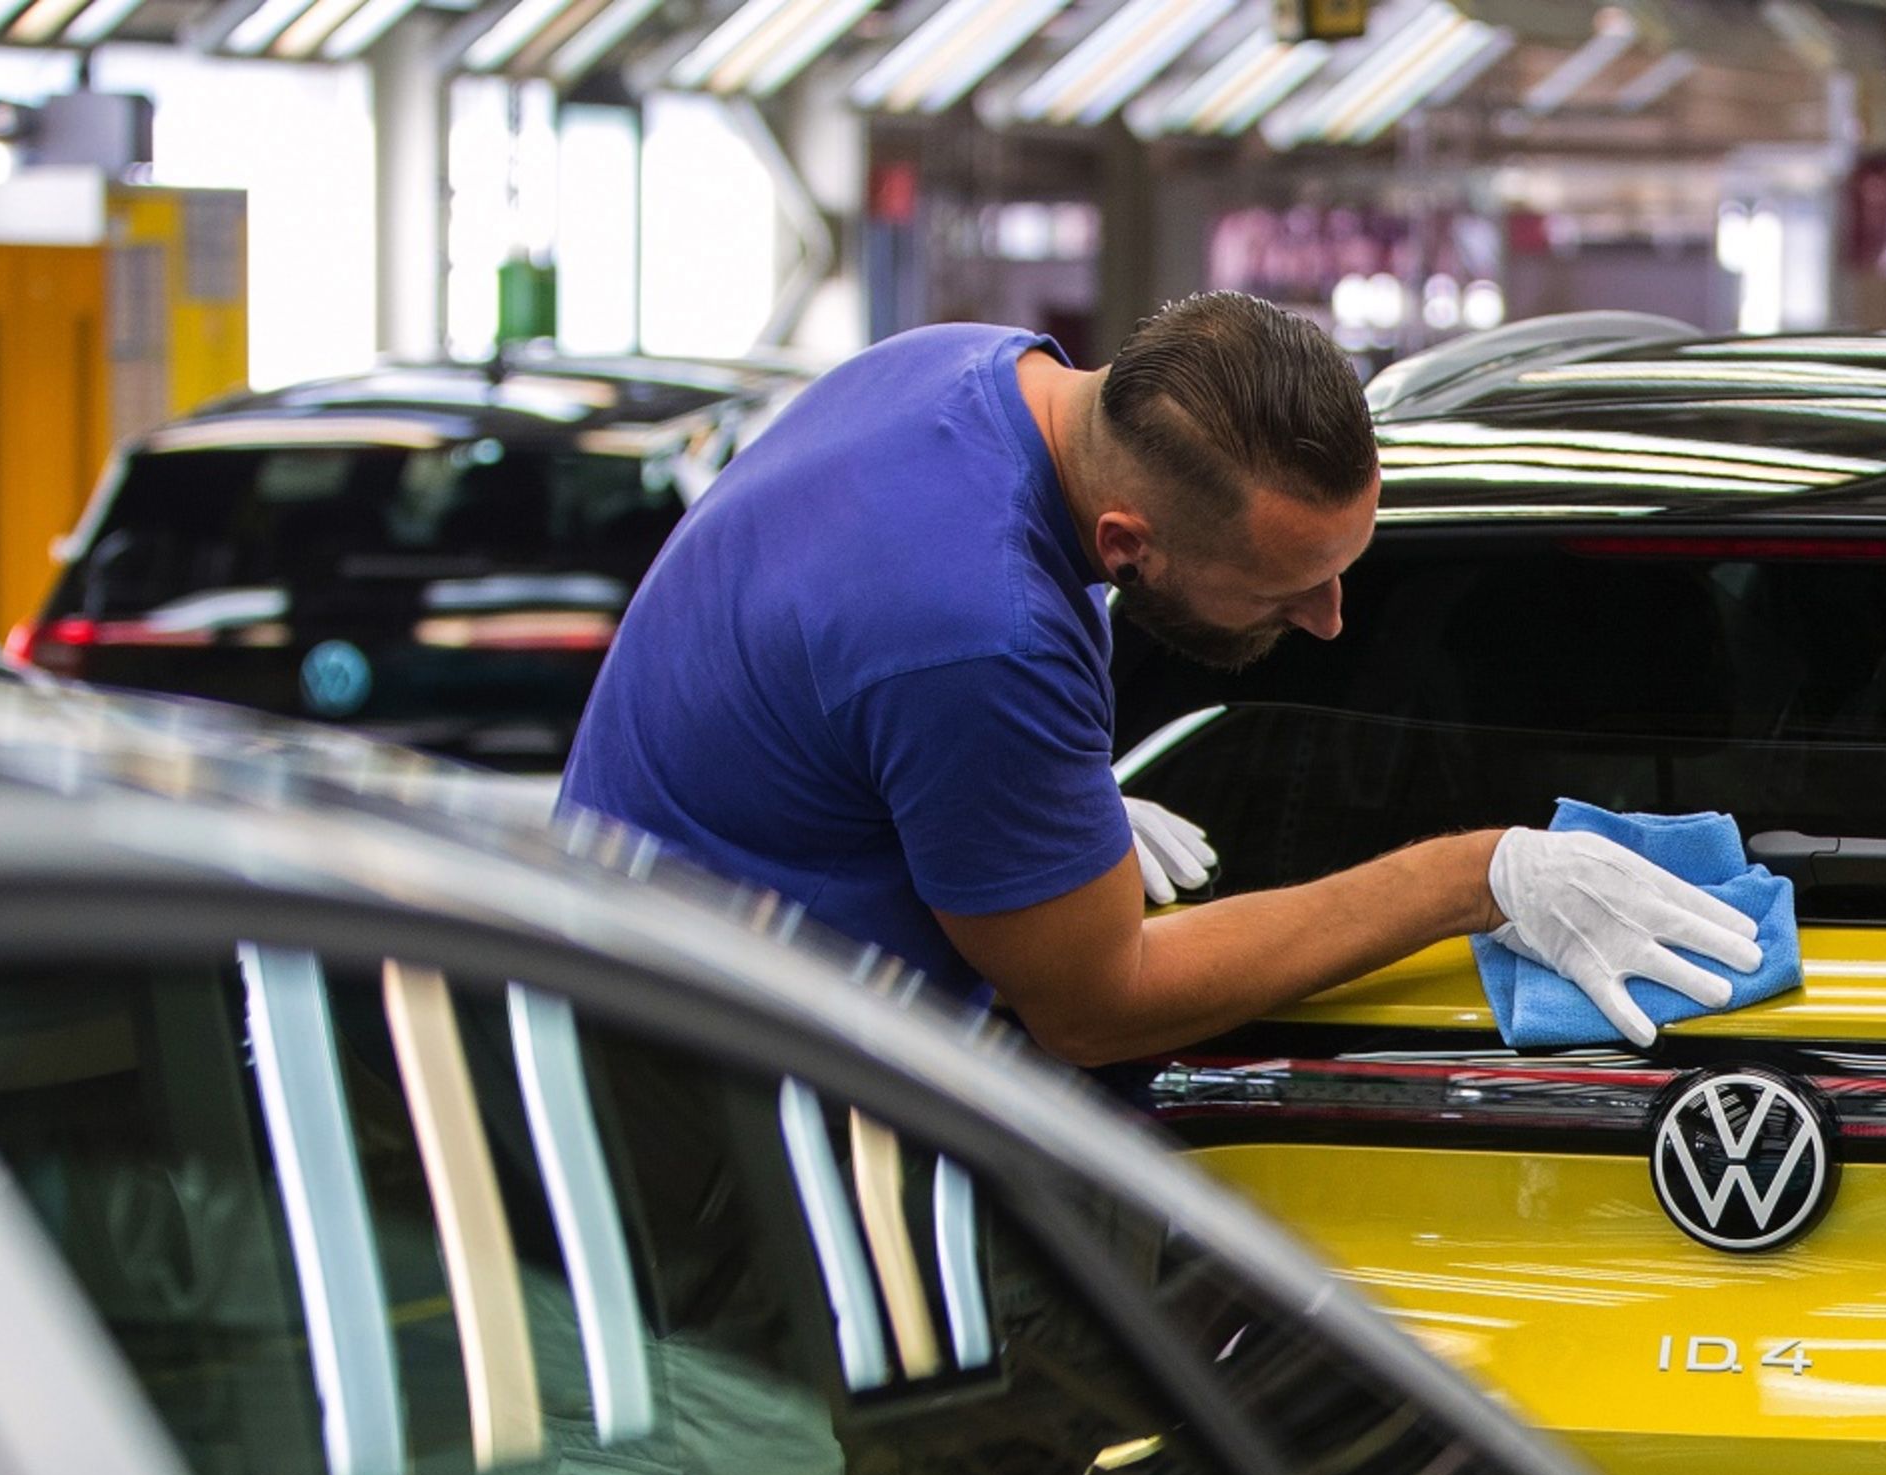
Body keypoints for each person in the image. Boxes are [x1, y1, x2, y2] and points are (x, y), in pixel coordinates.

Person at [561, 294, 1757, 1056]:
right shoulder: (981, 632)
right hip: (702, 1104)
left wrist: (1016, 805)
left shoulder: (957, 368)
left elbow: (839, 672)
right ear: (1125, 546)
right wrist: (1472, 877)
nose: (1331, 621)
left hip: (650, 970)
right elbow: (1095, 1007)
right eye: (1286, 589)